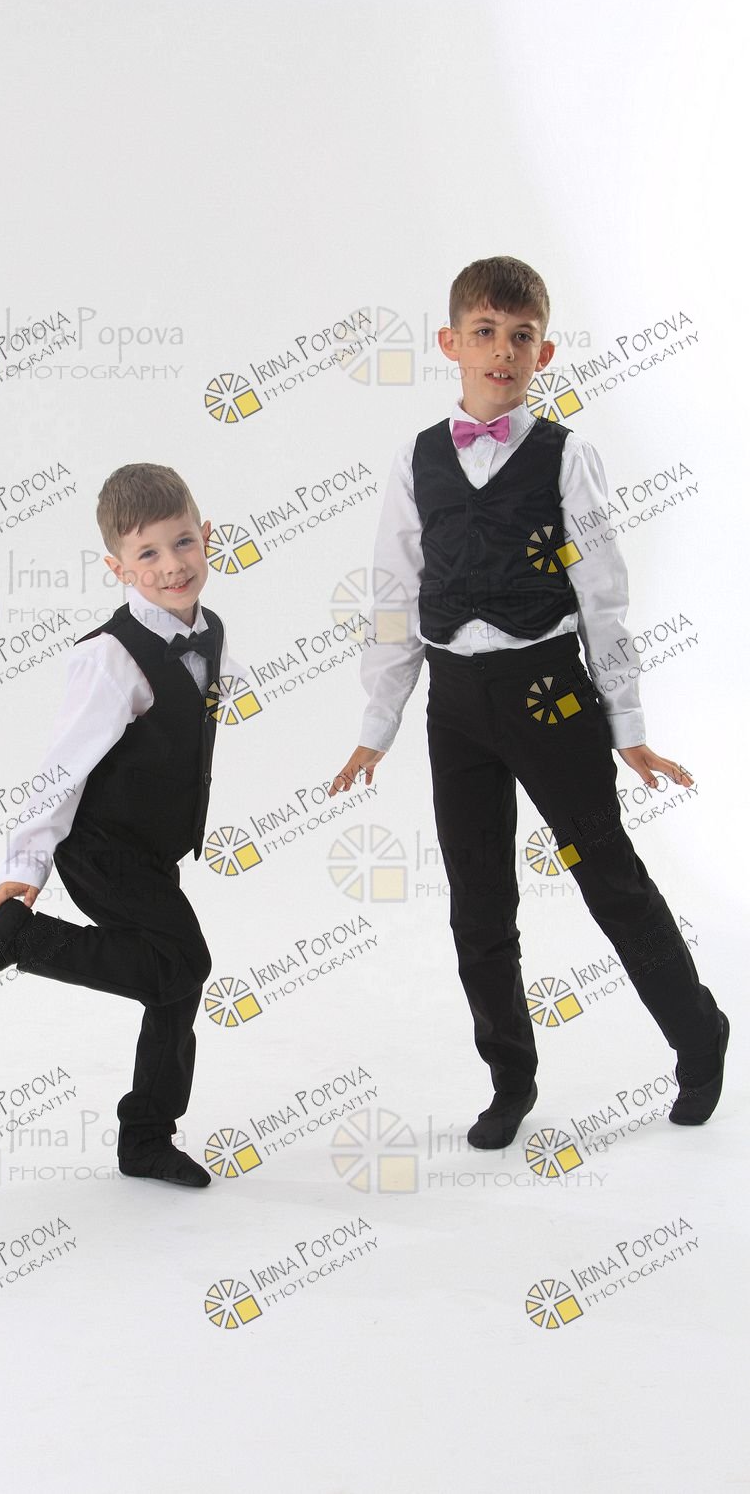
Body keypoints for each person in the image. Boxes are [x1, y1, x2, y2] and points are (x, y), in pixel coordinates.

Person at [329, 256, 728, 1149]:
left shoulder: (566, 455)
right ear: (451, 343)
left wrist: (627, 725)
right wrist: (377, 724)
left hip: (550, 695)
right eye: (484, 333)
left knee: (609, 879)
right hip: (455, 705)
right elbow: (393, 592)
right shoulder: (417, 459)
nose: (501, 352)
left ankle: (699, 1034)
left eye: (520, 337)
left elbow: (603, 598)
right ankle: (510, 1078)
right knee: (478, 902)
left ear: (542, 353)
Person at [0, 463, 238, 1187]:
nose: (172, 566)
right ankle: (25, 939)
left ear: (207, 537)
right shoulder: (109, 657)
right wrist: (26, 863)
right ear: (118, 568)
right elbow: (62, 768)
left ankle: (145, 1140)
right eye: (148, 554)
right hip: (101, 848)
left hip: (150, 848)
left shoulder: (210, 632)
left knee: (175, 985)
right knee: (185, 964)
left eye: (183, 543)